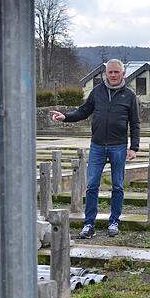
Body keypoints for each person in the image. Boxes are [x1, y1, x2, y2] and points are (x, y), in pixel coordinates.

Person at [49, 59, 140, 238]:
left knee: (117, 186)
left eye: (116, 72)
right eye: (110, 72)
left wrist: (134, 147)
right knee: (91, 186)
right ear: (106, 74)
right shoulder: (97, 92)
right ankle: (89, 223)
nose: (113, 75)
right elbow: (83, 111)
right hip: (97, 146)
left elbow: (135, 123)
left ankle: (114, 221)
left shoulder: (129, 95)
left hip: (119, 147)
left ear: (123, 74)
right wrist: (65, 117)